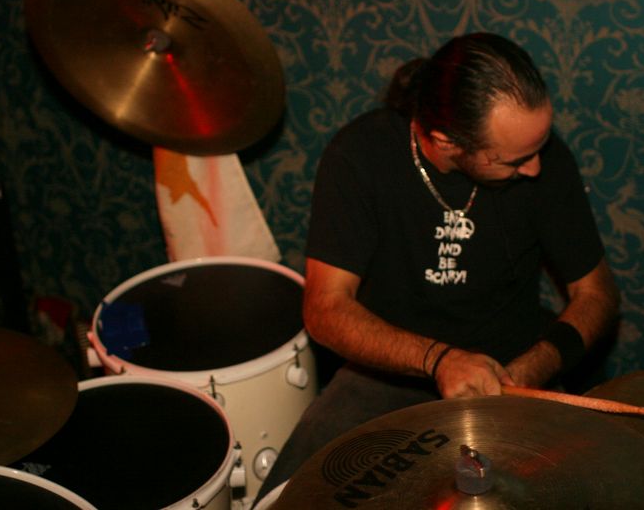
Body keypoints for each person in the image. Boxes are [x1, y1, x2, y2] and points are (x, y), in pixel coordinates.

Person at [254, 32, 620, 503]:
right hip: (388, 372)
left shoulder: (543, 157)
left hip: (513, 371)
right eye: (514, 160)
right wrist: (438, 359)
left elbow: (597, 293)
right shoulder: (360, 155)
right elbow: (324, 309)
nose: (534, 168)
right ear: (446, 142)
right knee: (291, 498)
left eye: (539, 147)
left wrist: (536, 366)